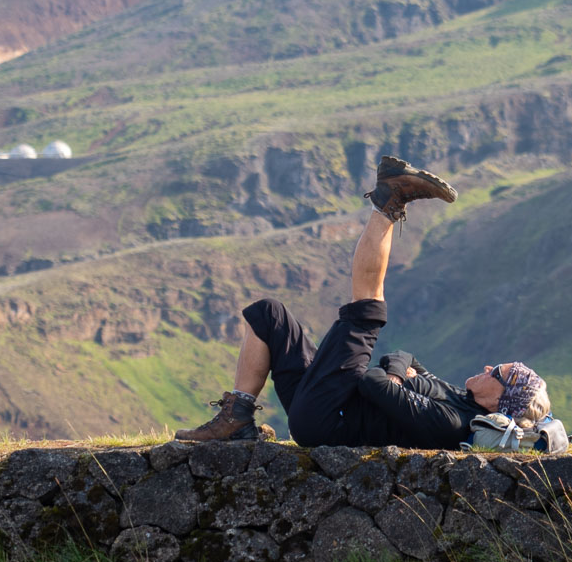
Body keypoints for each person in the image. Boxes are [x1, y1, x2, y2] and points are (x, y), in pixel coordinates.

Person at [175, 156, 551, 449]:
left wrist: (396, 380)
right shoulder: (457, 396)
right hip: (326, 405)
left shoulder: (453, 423)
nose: (488, 367)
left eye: (497, 373)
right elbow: (402, 358)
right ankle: (237, 418)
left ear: (501, 400)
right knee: (268, 315)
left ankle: (390, 200)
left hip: (329, 420)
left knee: (368, 311)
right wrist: (400, 378)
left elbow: (374, 381)